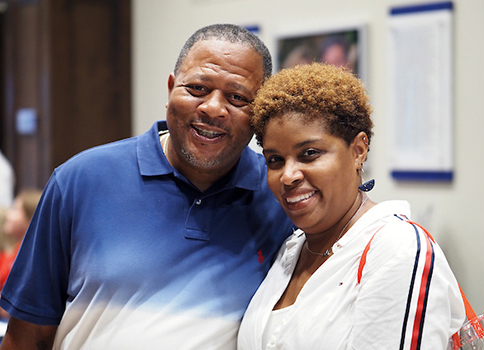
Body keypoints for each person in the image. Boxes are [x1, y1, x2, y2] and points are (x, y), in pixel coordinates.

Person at [0, 24, 293, 350]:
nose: (213, 108)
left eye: (237, 97)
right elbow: (26, 337)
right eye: (197, 88)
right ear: (170, 89)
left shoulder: (279, 198)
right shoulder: (79, 181)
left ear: (260, 112)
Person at [237, 63, 465, 350]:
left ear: (358, 150)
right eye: (275, 160)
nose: (288, 175)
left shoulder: (397, 249)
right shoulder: (290, 250)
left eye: (309, 154)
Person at [0, 190, 42, 320]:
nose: (8, 215)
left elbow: (12, 307)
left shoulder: (36, 255)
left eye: (15, 209)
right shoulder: (18, 250)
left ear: (31, 218)